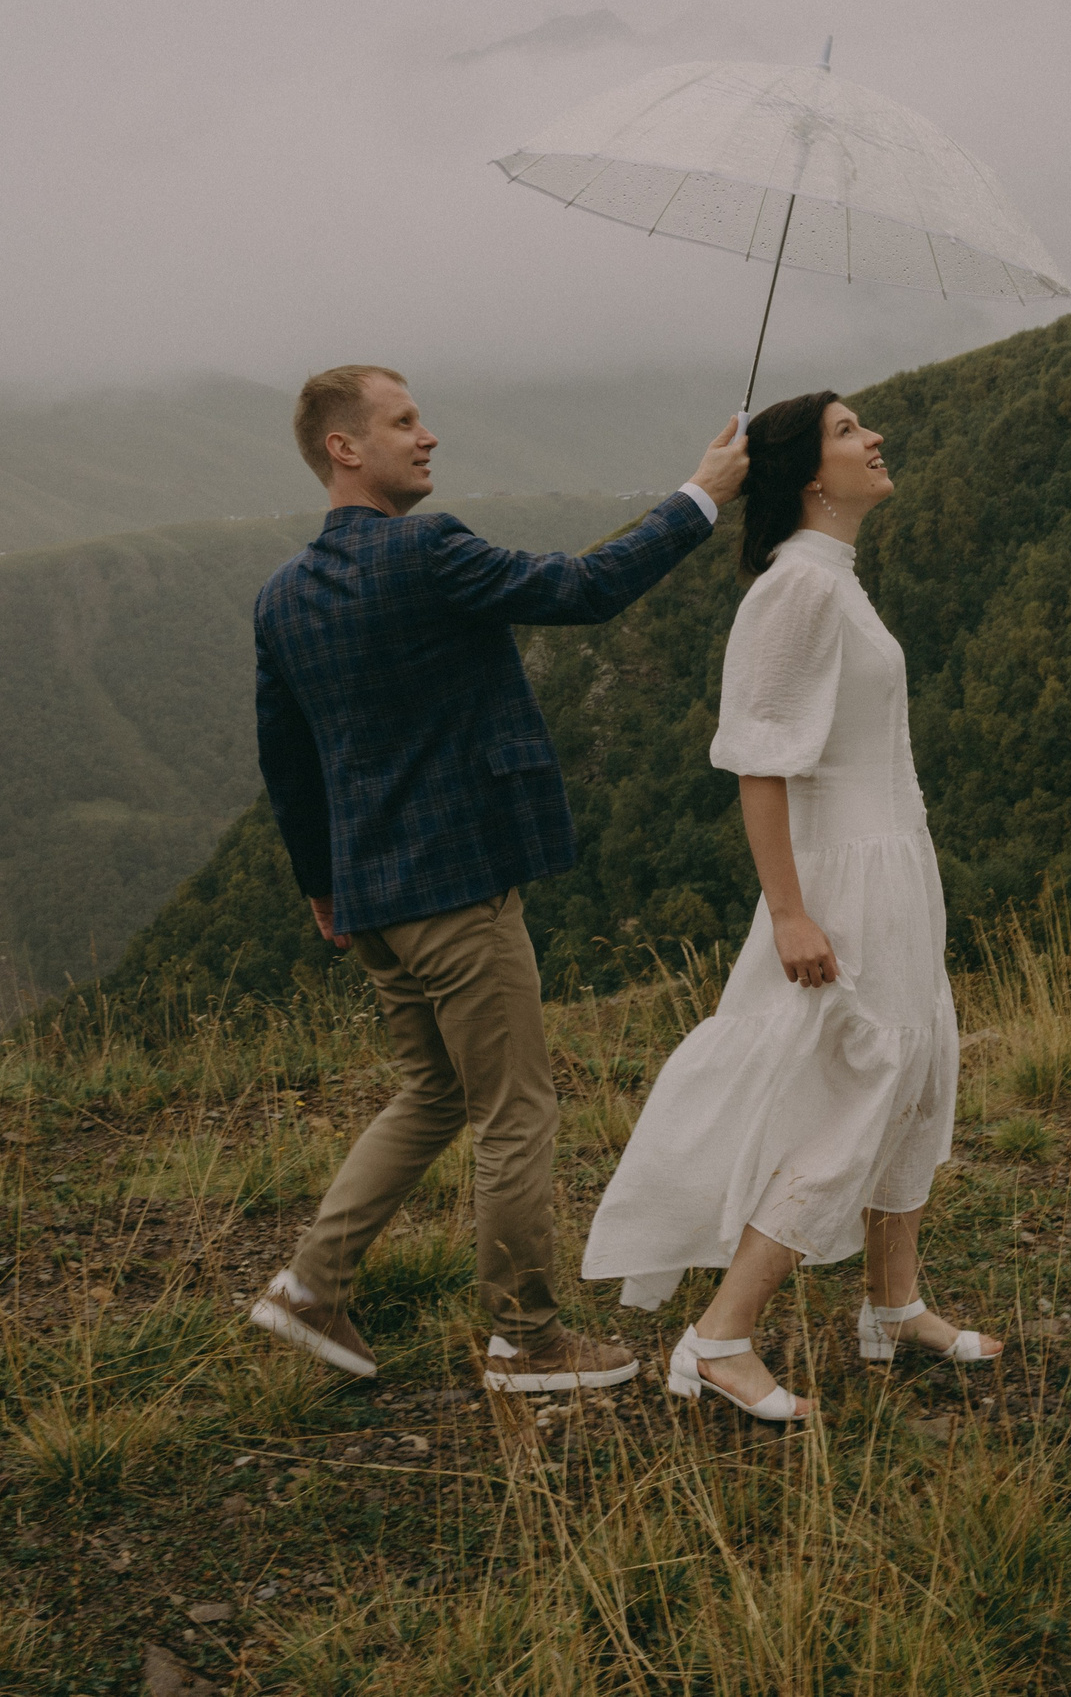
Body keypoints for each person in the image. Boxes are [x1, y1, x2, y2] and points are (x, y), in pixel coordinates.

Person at [247, 364, 747, 1395]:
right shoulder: (429, 550)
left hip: (374, 898)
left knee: (431, 1090)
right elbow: (584, 588)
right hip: (459, 889)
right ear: (344, 447)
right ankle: (527, 1338)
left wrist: (323, 884)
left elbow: (285, 758)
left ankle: (308, 1286)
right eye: (403, 422)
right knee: (515, 1111)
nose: (427, 437)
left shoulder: (282, 596)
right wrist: (702, 495)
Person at [581, 390, 1000, 1422]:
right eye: (850, 429)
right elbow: (757, 766)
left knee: (912, 1069)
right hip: (838, 877)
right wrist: (790, 911)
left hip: (894, 859)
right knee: (853, 1086)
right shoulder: (796, 591)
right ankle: (720, 1335)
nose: (875, 438)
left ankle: (892, 1304)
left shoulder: (836, 581)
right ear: (810, 475)